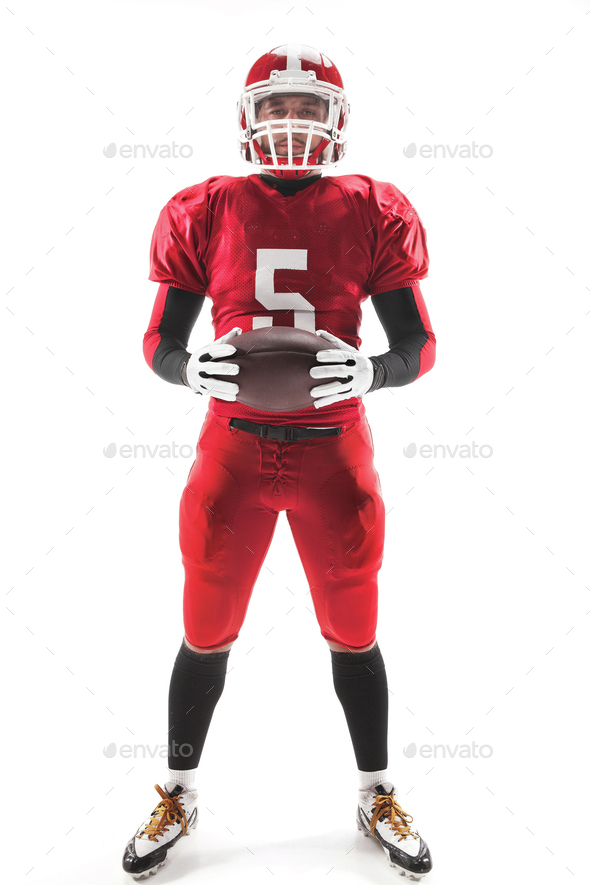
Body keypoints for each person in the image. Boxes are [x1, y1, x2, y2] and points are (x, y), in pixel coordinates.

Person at [122, 43, 436, 881]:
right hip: (230, 450)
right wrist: (189, 368)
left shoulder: (373, 207)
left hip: (336, 451)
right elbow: (159, 342)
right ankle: (179, 790)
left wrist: (371, 368)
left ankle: (375, 789)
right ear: (247, 119)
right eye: (276, 107)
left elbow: (418, 345)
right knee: (204, 627)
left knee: (355, 630)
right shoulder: (206, 206)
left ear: (335, 123)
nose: (291, 122)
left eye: (306, 107)